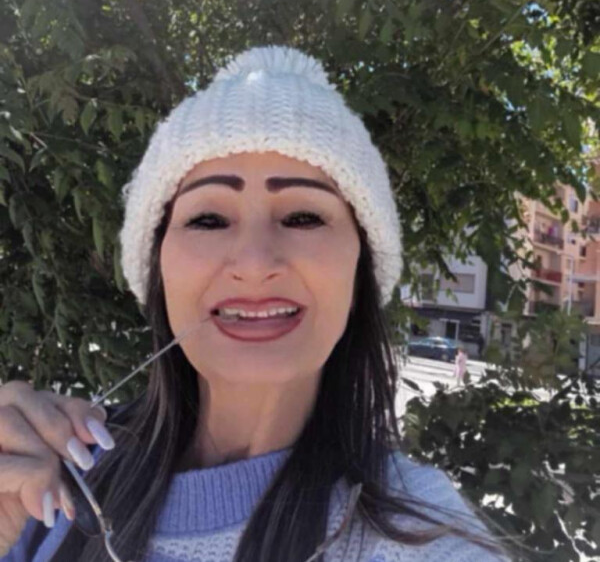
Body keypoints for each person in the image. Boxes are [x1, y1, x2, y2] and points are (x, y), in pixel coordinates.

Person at [0, 45, 512, 561]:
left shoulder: (424, 539)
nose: (253, 262)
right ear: (157, 266)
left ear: (362, 265)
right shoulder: (46, 493)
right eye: (208, 220)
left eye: (304, 217)